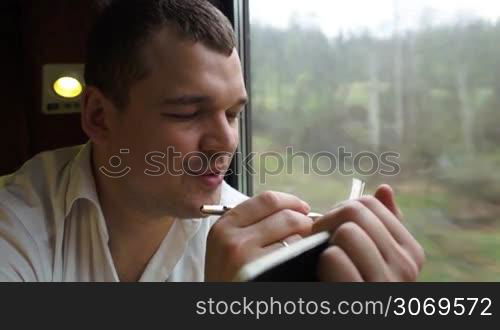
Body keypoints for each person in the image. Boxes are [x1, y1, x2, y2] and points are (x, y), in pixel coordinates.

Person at [0, 0, 424, 282]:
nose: (225, 143)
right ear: (99, 116)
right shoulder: (17, 221)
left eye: (234, 114)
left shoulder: (261, 248)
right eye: (187, 113)